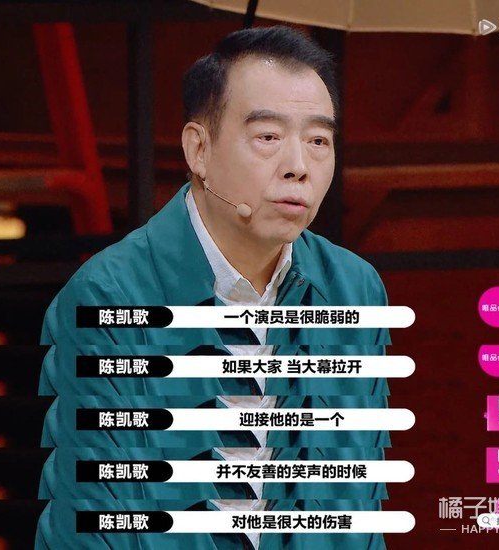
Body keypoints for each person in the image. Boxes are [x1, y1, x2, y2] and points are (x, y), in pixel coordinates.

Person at [36, 26, 390, 550]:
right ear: (198, 150)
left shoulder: (353, 288)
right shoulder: (108, 295)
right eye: (268, 137)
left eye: (318, 141)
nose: (299, 168)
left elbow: (357, 509)